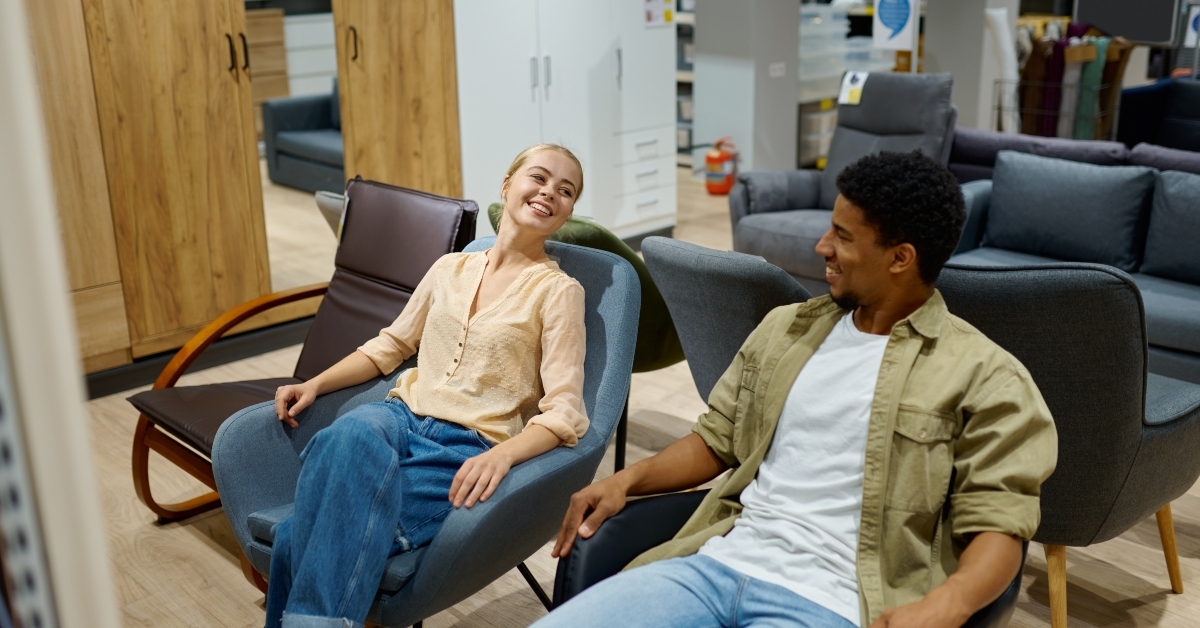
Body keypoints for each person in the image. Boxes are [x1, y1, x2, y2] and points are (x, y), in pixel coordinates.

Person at [538, 151, 1058, 628]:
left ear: (901, 258)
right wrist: (626, 481)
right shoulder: (786, 329)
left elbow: (1000, 522)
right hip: (715, 562)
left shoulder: (986, 377)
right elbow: (718, 439)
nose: (822, 247)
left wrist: (947, 604)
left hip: (832, 600)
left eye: (843, 237)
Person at [265, 143, 589, 628]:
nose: (549, 193)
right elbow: (390, 346)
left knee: (298, 534)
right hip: (397, 418)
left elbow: (565, 412)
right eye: (539, 178)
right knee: (348, 432)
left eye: (566, 191)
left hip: (466, 449)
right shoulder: (448, 268)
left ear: (567, 212)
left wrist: (503, 455)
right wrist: (315, 382)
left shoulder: (559, 292)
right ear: (507, 185)